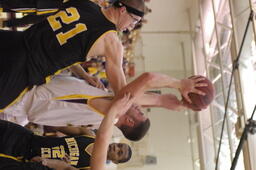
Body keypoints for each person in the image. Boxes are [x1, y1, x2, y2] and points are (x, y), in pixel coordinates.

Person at [0, 0, 145, 112]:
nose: (132, 26)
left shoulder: (87, 4)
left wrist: (85, 76)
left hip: (15, 41)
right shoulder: (112, 42)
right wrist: (152, 96)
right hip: (24, 69)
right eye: (134, 20)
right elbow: (122, 93)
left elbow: (64, 47)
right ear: (123, 10)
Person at [3, 72, 207, 141]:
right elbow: (153, 97)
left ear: (128, 120)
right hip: (21, 106)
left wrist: (180, 84)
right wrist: (174, 103)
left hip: (16, 99)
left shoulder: (114, 107)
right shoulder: (109, 111)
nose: (139, 107)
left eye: (139, 113)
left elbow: (148, 79)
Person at [0, 94, 133, 169]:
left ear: (115, 161)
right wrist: (41, 117)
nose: (116, 148)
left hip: (28, 163)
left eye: (119, 152)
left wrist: (61, 165)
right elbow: (58, 126)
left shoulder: (90, 168)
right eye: (120, 146)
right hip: (29, 139)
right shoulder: (90, 135)